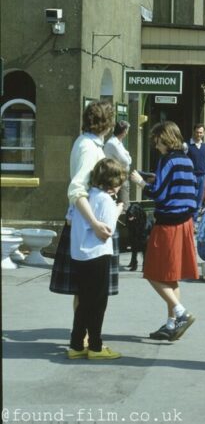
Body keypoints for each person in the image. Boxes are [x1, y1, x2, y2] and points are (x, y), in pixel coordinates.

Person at [130, 121, 198, 341]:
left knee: (152, 273)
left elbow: (158, 193)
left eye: (157, 140)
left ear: (165, 138)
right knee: (171, 277)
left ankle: (180, 313)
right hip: (185, 222)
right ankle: (171, 325)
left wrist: (140, 182)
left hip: (167, 224)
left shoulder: (166, 160)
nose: (155, 144)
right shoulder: (186, 160)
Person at [51, 101, 117, 317]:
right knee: (89, 289)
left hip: (86, 224)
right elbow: (77, 189)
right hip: (87, 227)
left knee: (85, 289)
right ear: (107, 123)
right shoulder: (89, 148)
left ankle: (83, 338)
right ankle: (84, 339)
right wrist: (95, 224)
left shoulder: (88, 143)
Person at [67, 158, 126, 360]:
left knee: (84, 302)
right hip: (98, 254)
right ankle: (95, 346)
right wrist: (119, 209)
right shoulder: (105, 200)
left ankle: (76, 344)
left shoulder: (85, 195)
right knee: (98, 303)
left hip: (80, 254)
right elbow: (107, 230)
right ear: (112, 181)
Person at [103, 120, 132, 210]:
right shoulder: (113, 144)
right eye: (126, 130)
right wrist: (127, 155)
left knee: (123, 205)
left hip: (121, 177)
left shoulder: (118, 143)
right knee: (123, 206)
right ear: (123, 131)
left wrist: (127, 156)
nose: (127, 133)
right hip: (117, 178)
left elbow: (128, 159)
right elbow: (127, 161)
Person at [186, 124, 205, 217]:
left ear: (204, 133)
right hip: (191, 176)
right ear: (193, 132)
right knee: (191, 199)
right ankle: (189, 222)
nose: (198, 134)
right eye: (197, 132)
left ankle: (193, 223)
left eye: (201, 132)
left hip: (202, 176)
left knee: (199, 201)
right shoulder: (186, 145)